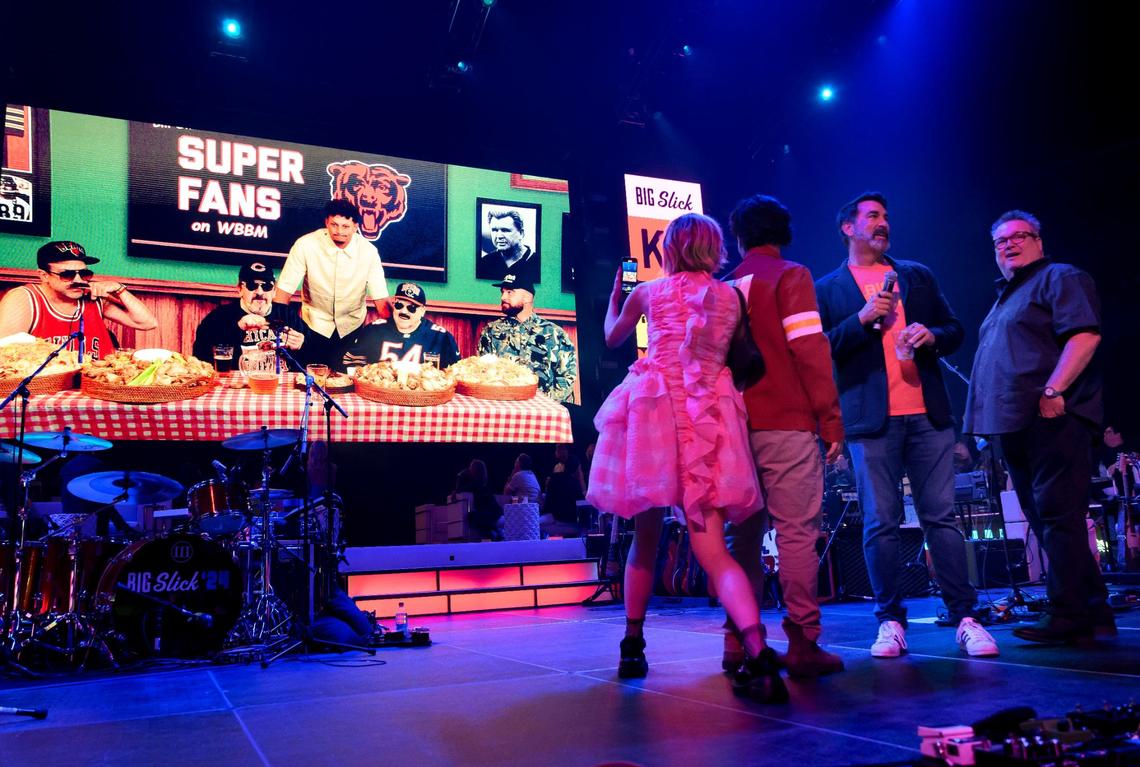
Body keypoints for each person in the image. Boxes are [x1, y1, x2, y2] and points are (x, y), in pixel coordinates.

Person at [587, 213, 785, 703]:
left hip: (656, 415)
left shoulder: (648, 293)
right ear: (714, 249)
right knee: (713, 548)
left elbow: (613, 336)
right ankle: (758, 651)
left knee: (645, 537)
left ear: (670, 247)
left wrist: (614, 298)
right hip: (709, 419)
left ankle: (632, 643)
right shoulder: (732, 295)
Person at [815, 192, 998, 658]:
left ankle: (965, 617)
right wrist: (861, 319)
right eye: (872, 217)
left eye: (886, 217)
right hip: (870, 422)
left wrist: (931, 334)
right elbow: (819, 351)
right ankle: (890, 621)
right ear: (847, 227)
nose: (883, 224)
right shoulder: (828, 289)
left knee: (942, 517)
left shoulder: (916, 275)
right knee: (881, 523)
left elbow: (956, 328)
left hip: (928, 415)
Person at [964, 209, 1114, 643]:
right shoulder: (1007, 296)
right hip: (1016, 423)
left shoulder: (1059, 277)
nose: (1008, 245)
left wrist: (1053, 390)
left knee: (1057, 515)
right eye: (999, 242)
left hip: (1052, 416)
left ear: (1038, 240)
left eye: (1018, 236)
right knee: (1045, 516)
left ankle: (1068, 614)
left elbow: (1084, 336)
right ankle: (1093, 607)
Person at [722, 194, 846, 678]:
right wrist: (830, 419)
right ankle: (803, 641)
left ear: (739, 237)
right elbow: (810, 350)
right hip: (787, 422)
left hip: (733, 427)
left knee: (743, 538)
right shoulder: (791, 276)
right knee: (796, 532)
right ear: (784, 232)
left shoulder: (724, 285)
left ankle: (738, 641)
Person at [274, 199, 390, 368]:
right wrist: (281, 329)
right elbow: (283, 292)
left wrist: (394, 334)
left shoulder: (369, 252)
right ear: (326, 222)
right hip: (313, 325)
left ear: (356, 226)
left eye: (345, 227)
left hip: (352, 327)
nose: (339, 231)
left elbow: (381, 299)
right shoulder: (305, 244)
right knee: (309, 378)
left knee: (344, 382)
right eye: (334, 225)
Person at [0, 240, 157, 358]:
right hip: (47, 390)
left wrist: (119, 289)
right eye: (67, 274)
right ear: (44, 275)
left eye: (84, 274)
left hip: (96, 385)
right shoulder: (24, 298)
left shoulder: (93, 297)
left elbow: (147, 323)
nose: (79, 280)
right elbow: (5, 354)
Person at [477, 272, 577, 403]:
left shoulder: (556, 334)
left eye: (510, 292)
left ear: (527, 298)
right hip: (502, 407)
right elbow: (482, 374)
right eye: (502, 292)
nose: (503, 297)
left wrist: (543, 405)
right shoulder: (490, 332)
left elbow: (566, 377)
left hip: (545, 411)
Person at [192, 258, 305, 371]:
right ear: (240, 289)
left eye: (267, 286)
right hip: (237, 385)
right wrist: (237, 328)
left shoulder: (288, 315)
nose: (260, 292)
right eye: (252, 286)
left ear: (274, 290)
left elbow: (314, 356)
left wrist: (302, 345)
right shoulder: (219, 316)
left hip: (280, 384)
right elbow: (200, 357)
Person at [339, 281, 460, 369]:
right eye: (399, 305)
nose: (404, 311)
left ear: (423, 310)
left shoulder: (441, 337)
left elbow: (454, 373)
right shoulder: (374, 331)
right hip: (378, 395)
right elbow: (350, 363)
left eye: (412, 308)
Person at [476, 209, 540, 284]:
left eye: (505, 230)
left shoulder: (537, 262)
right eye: (495, 230)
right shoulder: (485, 262)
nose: (499, 236)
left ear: (521, 233)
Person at [454, 459, 503, 540]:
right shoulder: (482, 485)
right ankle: (494, 532)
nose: (468, 470)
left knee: (472, 517)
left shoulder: (474, 485)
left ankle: (493, 532)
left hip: (491, 515)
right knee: (475, 517)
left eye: (470, 468)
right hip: (496, 513)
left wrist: (460, 475)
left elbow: (459, 490)